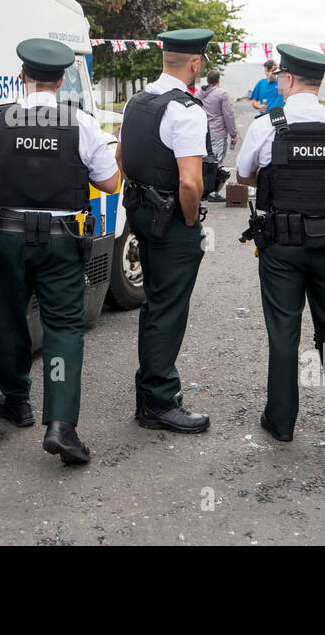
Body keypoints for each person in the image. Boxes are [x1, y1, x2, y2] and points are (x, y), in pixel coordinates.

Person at [0, 39, 121, 465]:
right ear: (63, 80)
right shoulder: (81, 124)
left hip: (7, 237)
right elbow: (110, 184)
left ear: (21, 77)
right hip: (62, 239)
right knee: (64, 327)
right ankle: (61, 425)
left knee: (10, 318)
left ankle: (17, 402)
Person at [234, 44, 325, 442]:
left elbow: (244, 175)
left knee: (283, 332)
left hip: (281, 245)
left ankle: (281, 422)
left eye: (280, 77)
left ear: (289, 79)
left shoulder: (267, 125)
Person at [115, 28, 214, 434]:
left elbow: (121, 156)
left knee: (154, 304)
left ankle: (149, 395)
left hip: (140, 213)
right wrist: (189, 221)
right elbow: (191, 183)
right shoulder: (186, 109)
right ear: (194, 64)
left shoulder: (137, 101)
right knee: (167, 309)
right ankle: (158, 400)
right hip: (171, 220)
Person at [197, 70, 238, 202]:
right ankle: (212, 192)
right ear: (218, 80)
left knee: (202, 162)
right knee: (215, 162)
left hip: (202, 132)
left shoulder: (198, 94)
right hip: (217, 132)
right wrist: (233, 133)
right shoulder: (222, 94)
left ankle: (201, 189)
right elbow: (228, 115)